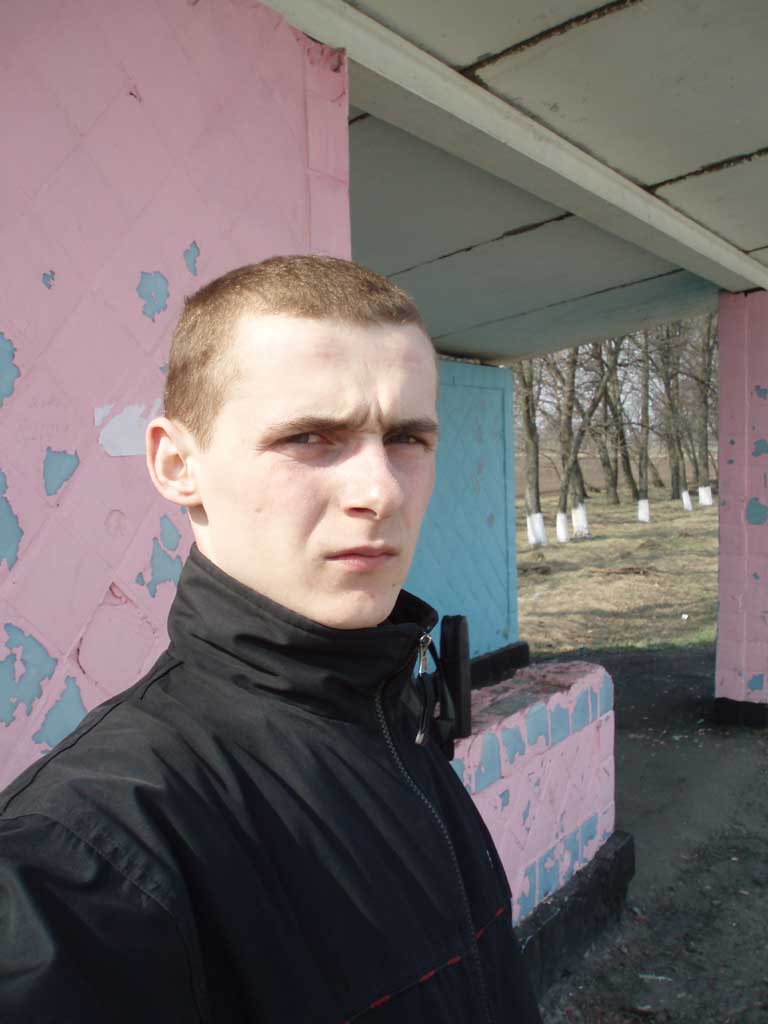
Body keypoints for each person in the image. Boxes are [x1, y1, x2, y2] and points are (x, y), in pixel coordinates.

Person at [0, 256, 541, 1023]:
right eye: (311, 436)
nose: (381, 490)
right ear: (176, 464)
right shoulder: (84, 857)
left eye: (406, 438)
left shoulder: (394, 716)